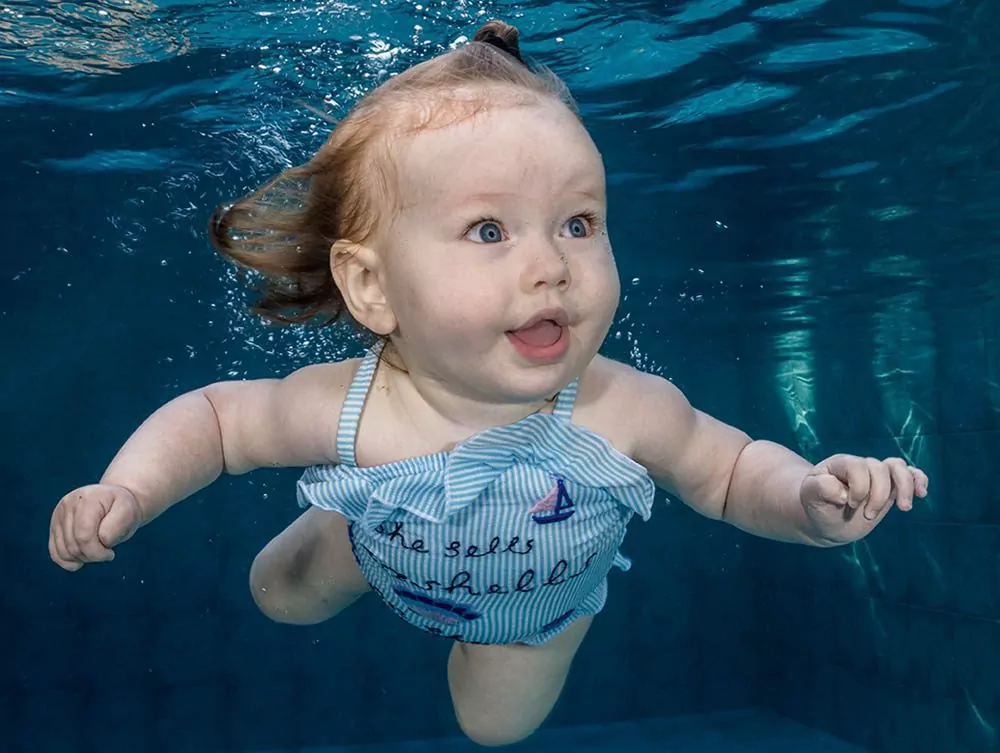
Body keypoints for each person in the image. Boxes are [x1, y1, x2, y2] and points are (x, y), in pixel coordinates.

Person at [48, 20, 929, 748]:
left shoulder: (624, 410)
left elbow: (731, 473)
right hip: (390, 547)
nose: (551, 265)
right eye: (487, 230)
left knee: (494, 726)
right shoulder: (359, 406)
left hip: (535, 606)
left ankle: (429, 562)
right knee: (278, 597)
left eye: (579, 222)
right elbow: (216, 419)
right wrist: (127, 485)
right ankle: (354, 532)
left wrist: (808, 502)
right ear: (373, 287)